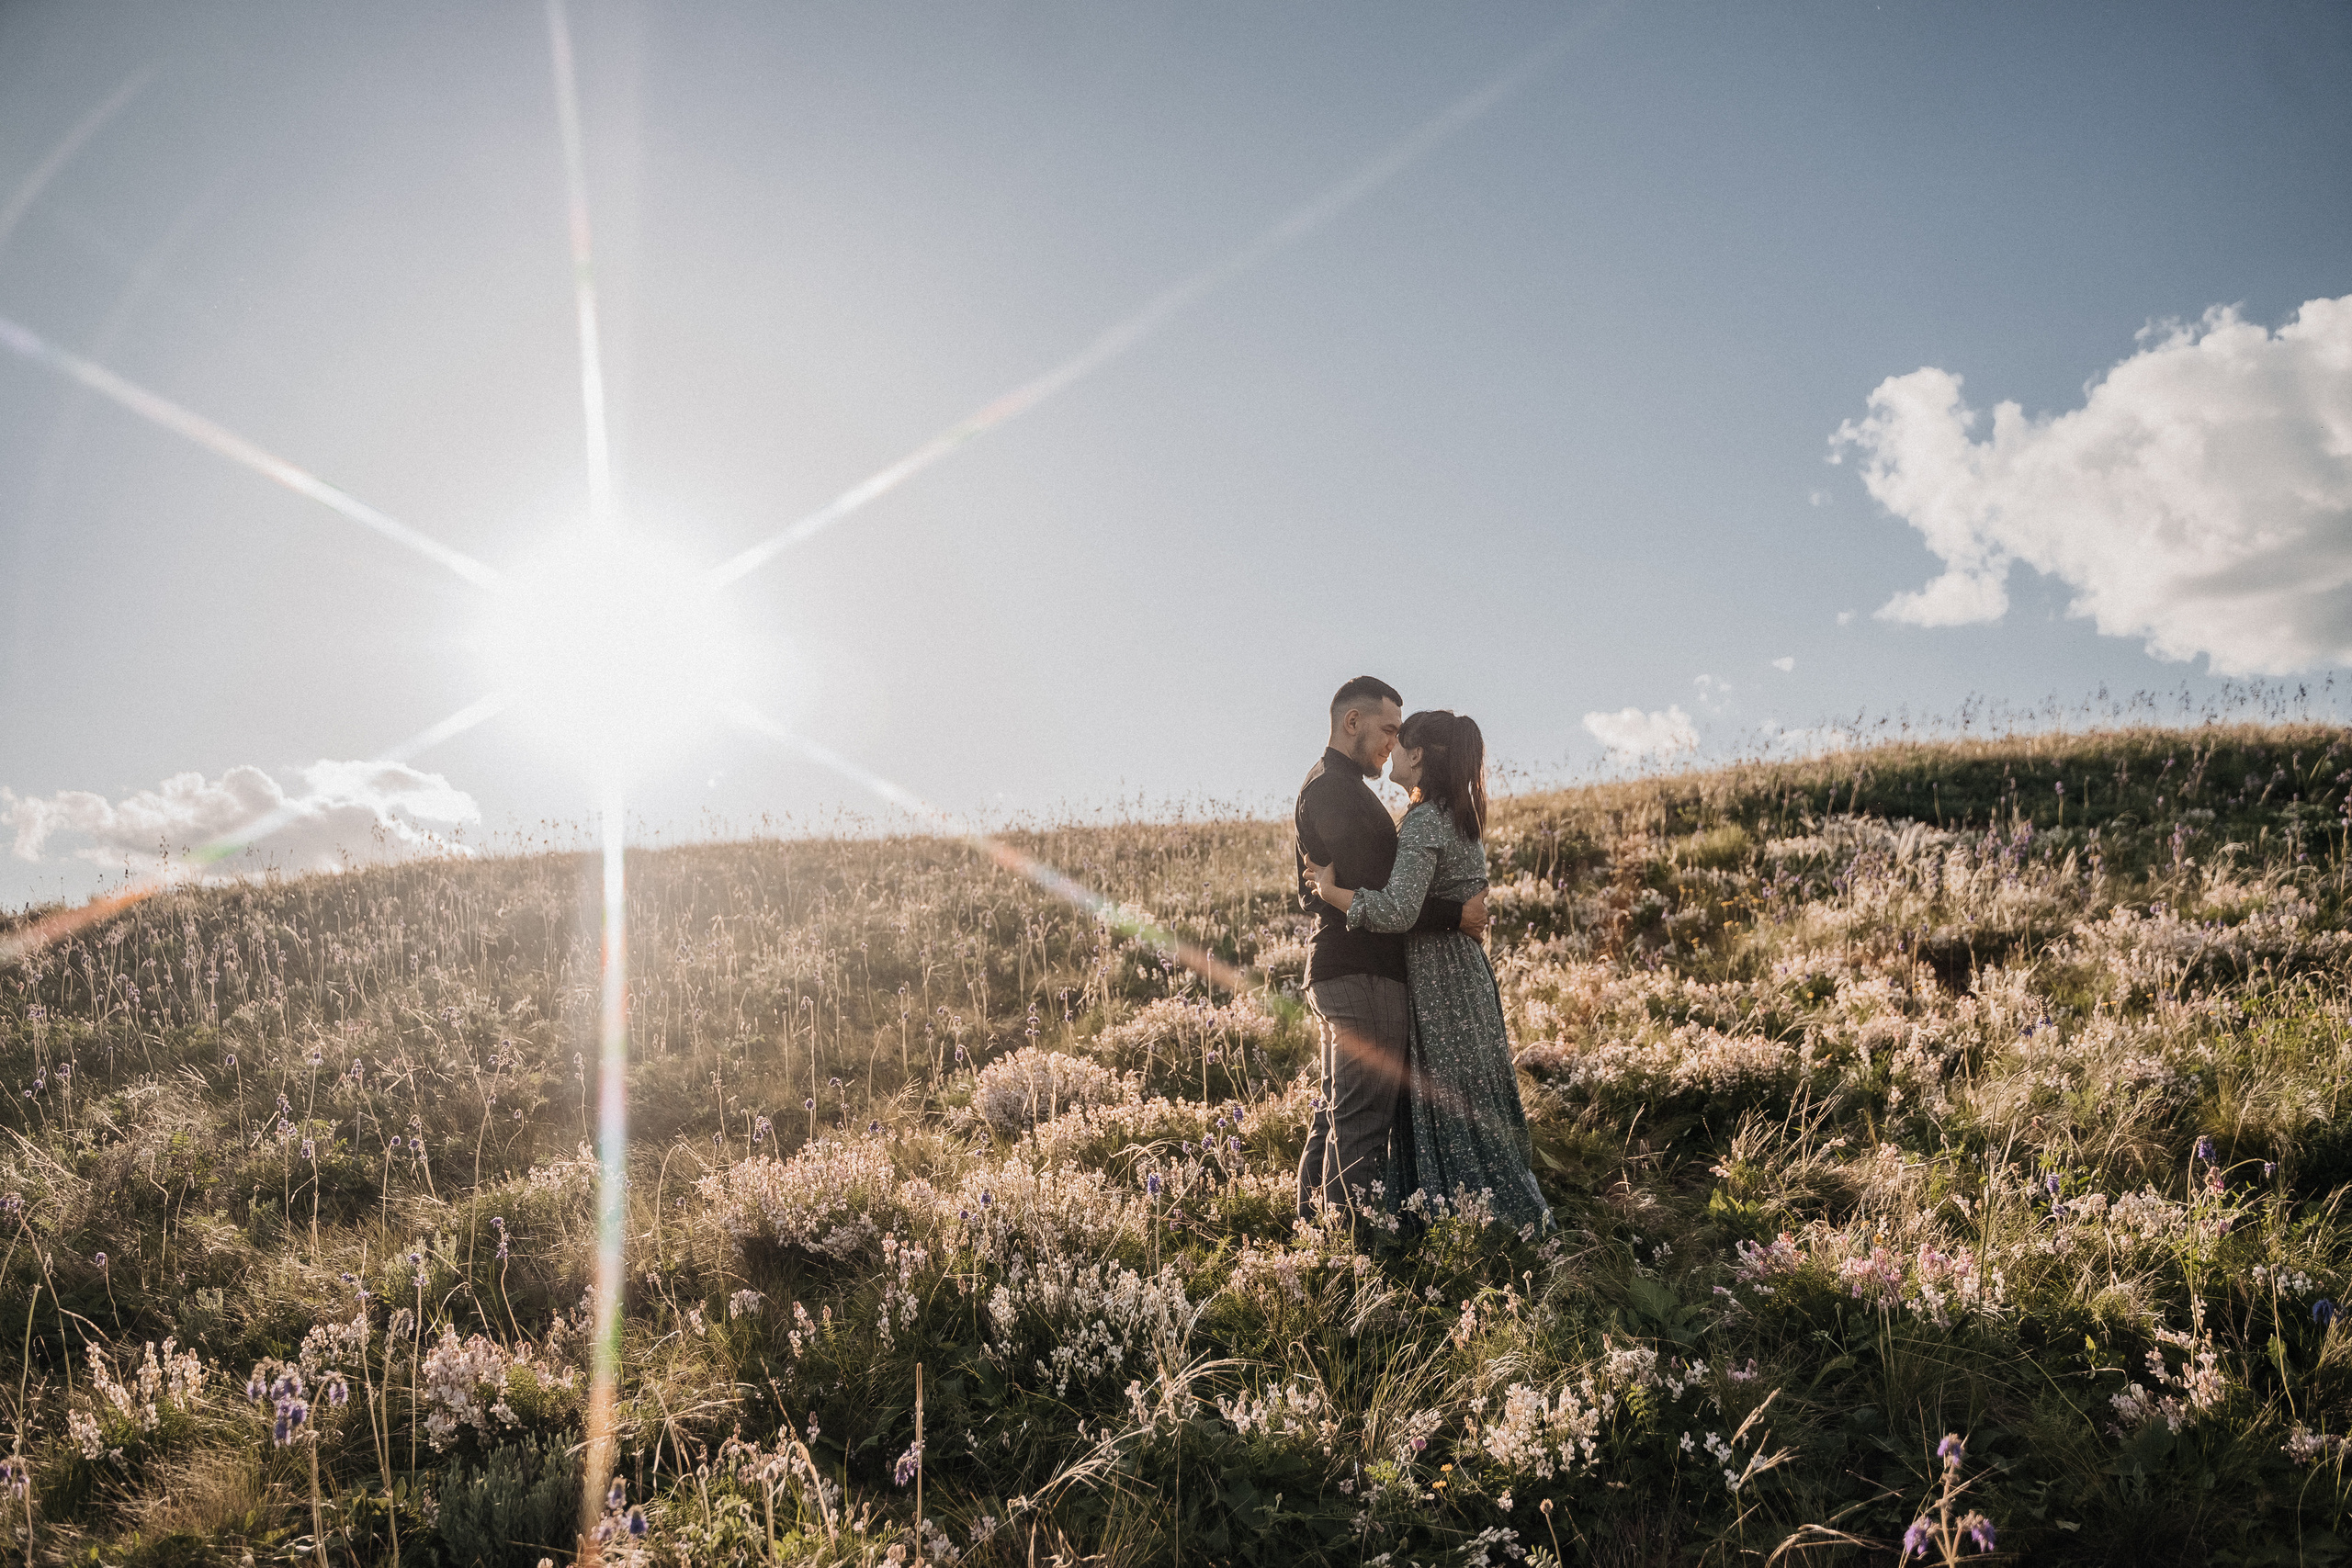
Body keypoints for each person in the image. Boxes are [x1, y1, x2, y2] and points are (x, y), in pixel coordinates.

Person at [1307, 709, 1550, 1237]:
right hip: (1461, 976)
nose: (1391, 749)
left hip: (1441, 979)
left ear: (1417, 756)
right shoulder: (1453, 813)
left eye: (1400, 740)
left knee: (1447, 1100)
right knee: (1468, 1098)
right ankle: (1479, 1216)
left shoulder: (1423, 821)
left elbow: (1397, 910)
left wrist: (1330, 894)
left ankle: (1465, 1225)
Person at [1295, 676, 1488, 1234]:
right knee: (1361, 1120)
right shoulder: (1334, 791)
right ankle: (1353, 1255)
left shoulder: (1329, 785)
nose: (1393, 743)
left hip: (1345, 972)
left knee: (1336, 1112)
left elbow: (1318, 890)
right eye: (1387, 730)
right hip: (1363, 974)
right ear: (1351, 723)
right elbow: (1384, 897)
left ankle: (1313, 1236)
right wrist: (1456, 915)